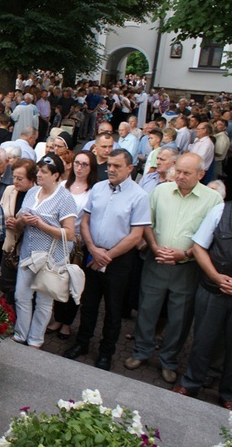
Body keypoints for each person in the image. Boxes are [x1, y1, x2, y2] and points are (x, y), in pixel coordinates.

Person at [125, 153, 222, 384]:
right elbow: (147, 223)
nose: (179, 176)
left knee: (180, 318)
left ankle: (169, 361)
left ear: (200, 174)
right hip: (156, 261)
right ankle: (141, 352)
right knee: (147, 309)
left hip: (187, 267)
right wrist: (155, 247)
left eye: (186, 173)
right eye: (178, 170)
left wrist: (186, 253)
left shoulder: (213, 200)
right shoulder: (161, 191)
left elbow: (211, 236)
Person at [64, 149, 151, 371]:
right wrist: (93, 249)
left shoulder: (139, 196)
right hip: (94, 254)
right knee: (88, 304)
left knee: (113, 310)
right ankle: (82, 343)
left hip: (118, 261)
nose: (111, 169)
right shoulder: (99, 188)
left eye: (117, 166)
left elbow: (136, 235)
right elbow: (85, 221)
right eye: (109, 165)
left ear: (130, 169)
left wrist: (107, 256)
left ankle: (106, 353)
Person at [172, 178, 232, 411]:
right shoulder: (222, 210)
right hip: (213, 289)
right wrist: (215, 276)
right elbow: (200, 246)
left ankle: (229, 393)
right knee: (203, 338)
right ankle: (191, 383)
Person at [13, 154, 76, 348]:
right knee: (21, 295)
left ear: (56, 175)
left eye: (44, 172)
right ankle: (20, 334)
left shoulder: (65, 198)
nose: (39, 174)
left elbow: (70, 234)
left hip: (50, 258)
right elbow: (19, 224)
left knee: (43, 300)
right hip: (28, 254)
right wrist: (22, 221)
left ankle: (35, 339)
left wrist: (41, 224)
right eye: (39, 170)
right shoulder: (32, 192)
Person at [48, 150, 98, 339]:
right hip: (57, 239)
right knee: (57, 280)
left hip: (78, 243)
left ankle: (67, 323)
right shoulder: (63, 185)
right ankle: (57, 318)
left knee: (74, 282)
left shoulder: (93, 191)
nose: (79, 167)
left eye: (84, 164)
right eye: (77, 163)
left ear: (91, 167)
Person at [0, 158, 37, 302]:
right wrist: (5, 222)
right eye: (14, 177)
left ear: (31, 178)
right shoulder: (9, 190)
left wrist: (20, 224)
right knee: (3, 289)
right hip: (8, 249)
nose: (15, 181)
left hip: (27, 252)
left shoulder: (36, 195)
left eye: (20, 178)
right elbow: (1, 212)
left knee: (22, 295)